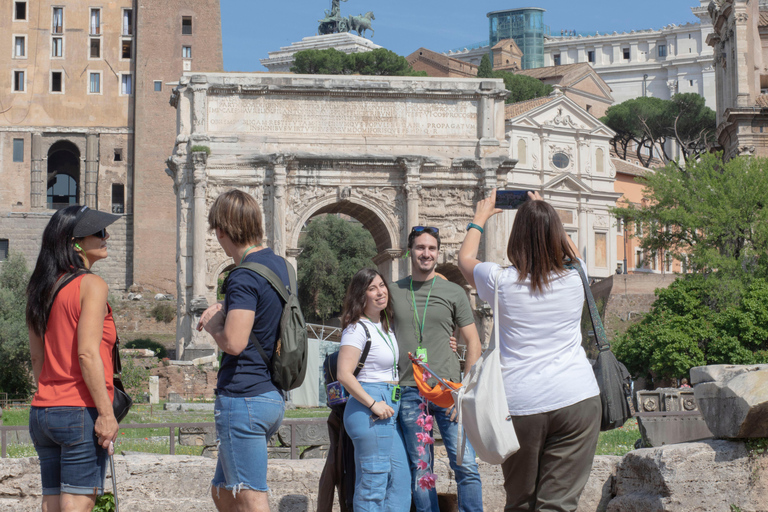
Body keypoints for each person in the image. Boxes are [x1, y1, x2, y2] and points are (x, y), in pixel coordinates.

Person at [458, 190, 601, 512]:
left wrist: (479, 218)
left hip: (521, 404)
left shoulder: (500, 280)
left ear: (515, 238)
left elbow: (465, 260)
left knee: (520, 502)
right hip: (576, 399)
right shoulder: (577, 275)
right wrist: (545, 213)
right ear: (556, 235)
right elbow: (571, 252)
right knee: (558, 505)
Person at [197, 189, 289, 512]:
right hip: (270, 395)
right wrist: (230, 306)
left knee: (251, 498)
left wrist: (213, 326)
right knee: (223, 493)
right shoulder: (279, 265)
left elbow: (234, 342)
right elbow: (265, 313)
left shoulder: (243, 276)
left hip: (243, 398)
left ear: (222, 230)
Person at [26, 205, 121, 512]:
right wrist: (106, 415)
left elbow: (37, 359)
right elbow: (87, 353)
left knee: (51, 504)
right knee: (77, 506)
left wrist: (50, 394)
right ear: (74, 242)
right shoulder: (91, 285)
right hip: (80, 411)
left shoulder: (40, 288)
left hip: (43, 412)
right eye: (99, 232)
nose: (107, 236)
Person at [391, 226, 484, 512]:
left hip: (448, 391)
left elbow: (474, 342)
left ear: (438, 252)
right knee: (421, 471)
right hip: (409, 390)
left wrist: (465, 392)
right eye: (420, 248)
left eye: (431, 248)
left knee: (466, 465)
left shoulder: (453, 291)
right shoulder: (392, 291)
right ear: (410, 252)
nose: (426, 253)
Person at [336, 268, 410, 511]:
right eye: (372, 288)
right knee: (373, 486)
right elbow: (344, 374)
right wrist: (373, 403)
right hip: (370, 407)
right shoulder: (357, 328)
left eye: (382, 285)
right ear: (361, 295)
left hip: (387, 407)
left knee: (399, 482)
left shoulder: (385, 325)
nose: (380, 292)